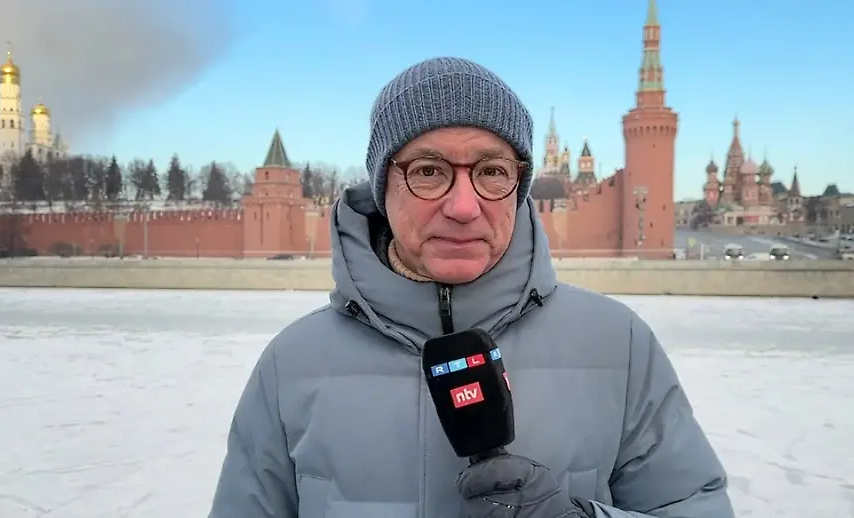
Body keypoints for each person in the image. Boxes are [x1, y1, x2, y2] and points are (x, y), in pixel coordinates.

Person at [208, 57, 735, 518]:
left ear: (519, 187)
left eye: (492, 171)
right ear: (383, 186)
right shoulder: (291, 364)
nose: (463, 207)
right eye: (428, 171)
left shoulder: (617, 346)